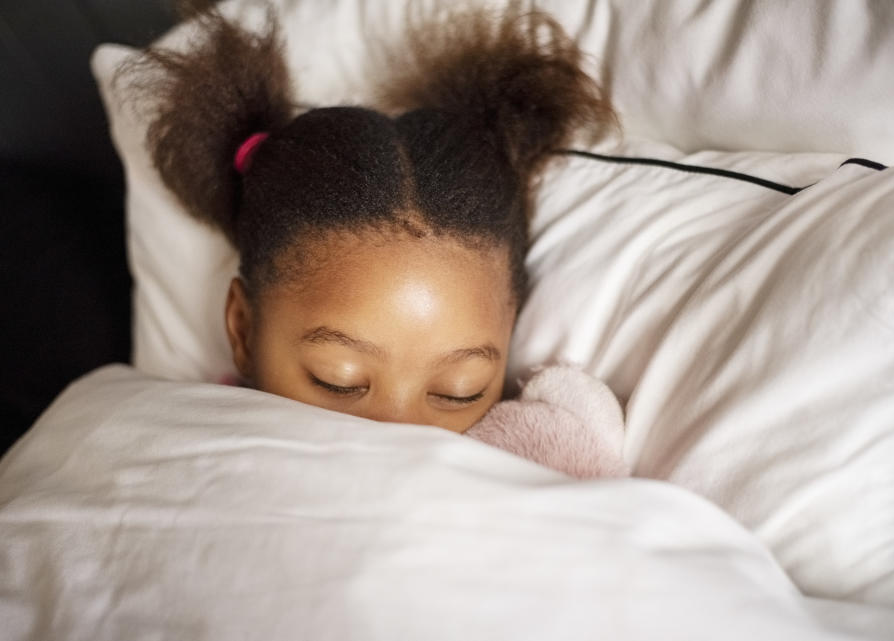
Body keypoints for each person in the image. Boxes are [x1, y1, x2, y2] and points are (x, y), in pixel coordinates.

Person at [124, 3, 616, 433]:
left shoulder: (534, 468)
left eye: (459, 392)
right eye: (338, 381)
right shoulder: (175, 447)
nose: (399, 436)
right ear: (243, 330)